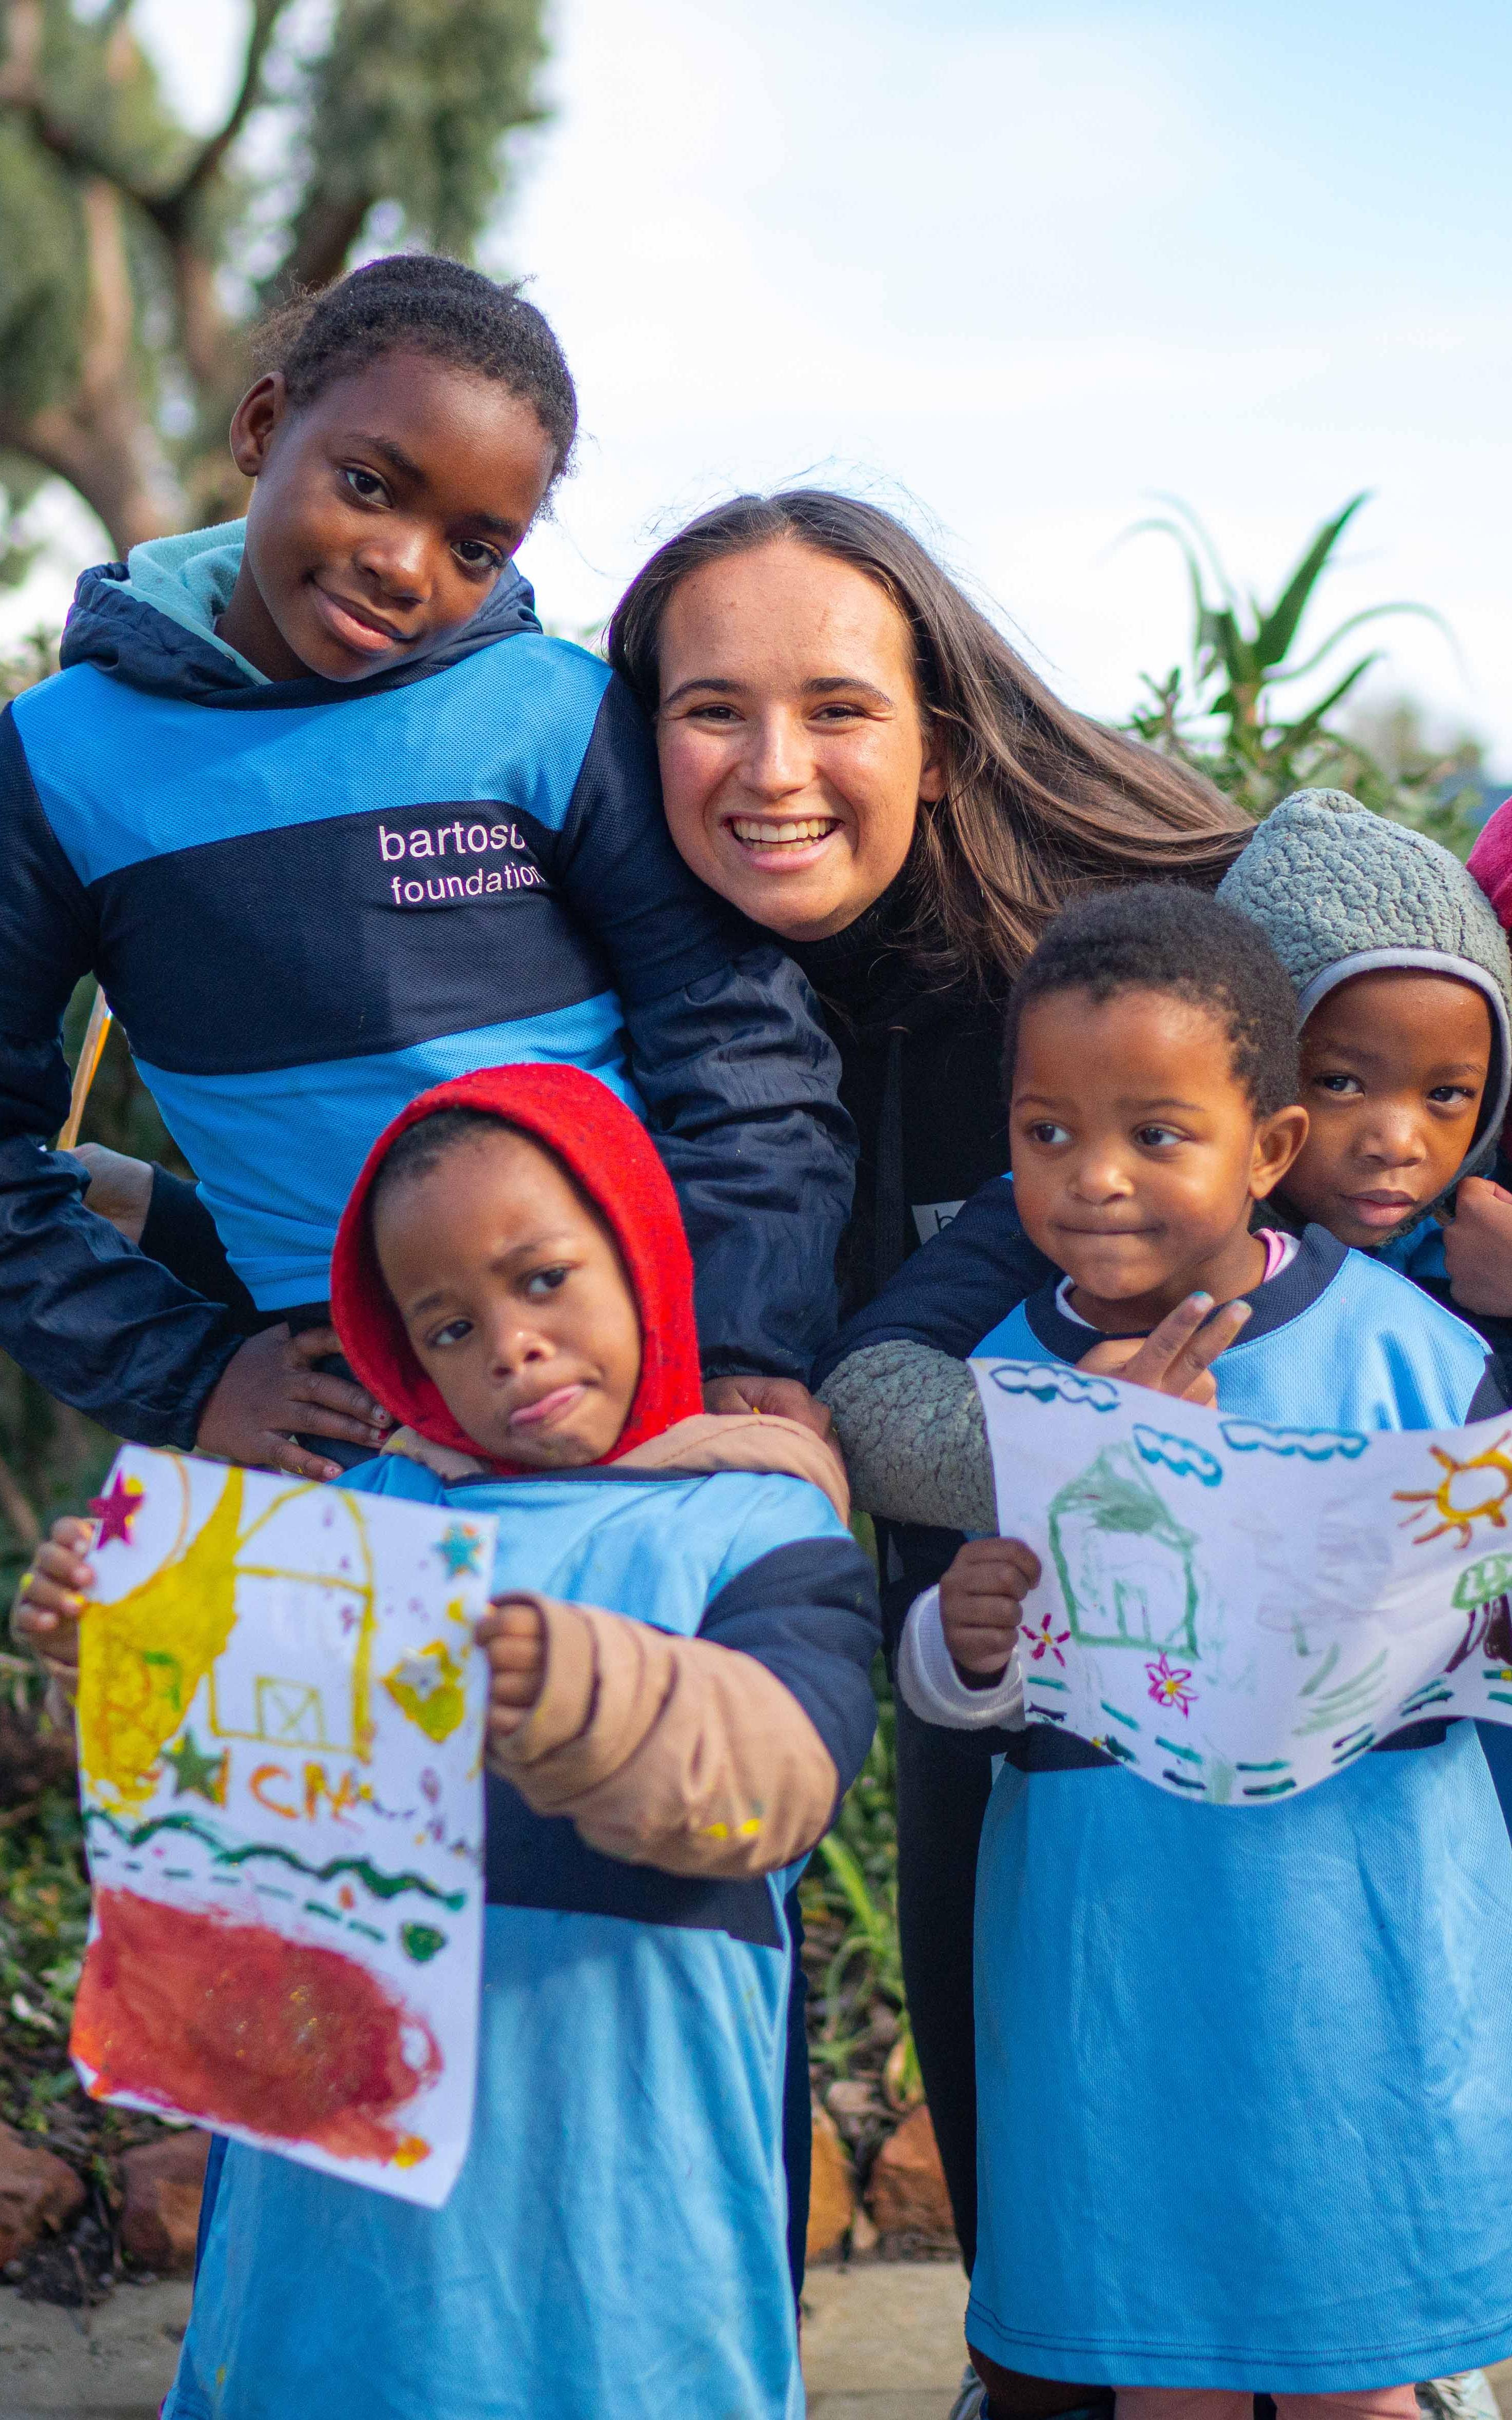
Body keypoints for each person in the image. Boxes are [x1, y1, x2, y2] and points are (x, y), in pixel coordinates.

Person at [17, 1064, 881, 2420]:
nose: (510, 1343)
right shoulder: (346, 1516)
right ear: (401, 1351)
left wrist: (590, 1689)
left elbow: (779, 1776)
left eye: (543, 1278)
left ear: (646, 1253)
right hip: (328, 2217)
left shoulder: (753, 1522)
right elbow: (228, 1794)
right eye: (450, 1321)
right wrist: (124, 1637)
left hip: (615, 2204)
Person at [602, 489, 1251, 2294]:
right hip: (903, 1591)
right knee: (972, 1972)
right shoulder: (637, 991)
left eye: (834, 706)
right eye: (708, 707)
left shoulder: (1136, 959)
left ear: (940, 742)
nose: (769, 766)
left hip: (1171, 1611)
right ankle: (1026, 2342)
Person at [0, 254, 852, 1490]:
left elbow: (740, 1054)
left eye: (473, 545)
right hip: (338, 1448)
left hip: (635, 1399)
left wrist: (734, 1341)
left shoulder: (554, 714)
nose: (406, 566)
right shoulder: (61, 757)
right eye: (366, 485)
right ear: (261, 425)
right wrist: (189, 1374)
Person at [869, 887, 1512, 2415]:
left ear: (1265, 1147)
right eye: (1045, 1133)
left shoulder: (1412, 1354)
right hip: (1115, 1952)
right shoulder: (1007, 1379)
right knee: (1165, 2371)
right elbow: (980, 1668)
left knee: (1364, 2370)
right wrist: (956, 1638)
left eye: (1156, 1133)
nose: (1092, 1179)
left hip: (1360, 1946)